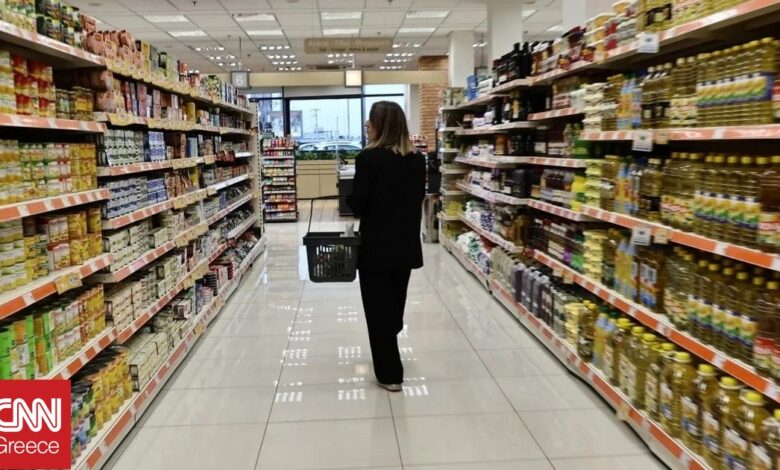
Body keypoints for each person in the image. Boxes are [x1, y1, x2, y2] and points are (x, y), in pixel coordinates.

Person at [347, 101, 426, 392]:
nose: (367, 125)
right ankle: (390, 340)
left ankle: (390, 373)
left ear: (380, 125)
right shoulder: (417, 160)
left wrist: (351, 199)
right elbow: (416, 198)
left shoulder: (368, 158)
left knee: (377, 309)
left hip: (376, 247)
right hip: (405, 245)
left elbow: (359, 204)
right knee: (394, 304)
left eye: (370, 121)